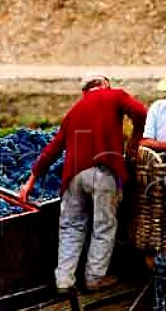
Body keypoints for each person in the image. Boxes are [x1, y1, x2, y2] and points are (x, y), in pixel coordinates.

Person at [19, 73, 147, 293]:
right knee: (103, 226)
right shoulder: (114, 95)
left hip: (73, 177)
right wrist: (135, 138)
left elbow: (53, 149)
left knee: (71, 227)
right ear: (105, 84)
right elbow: (142, 112)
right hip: (104, 171)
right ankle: (94, 278)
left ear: (84, 91)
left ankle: (64, 281)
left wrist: (30, 182)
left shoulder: (73, 112)